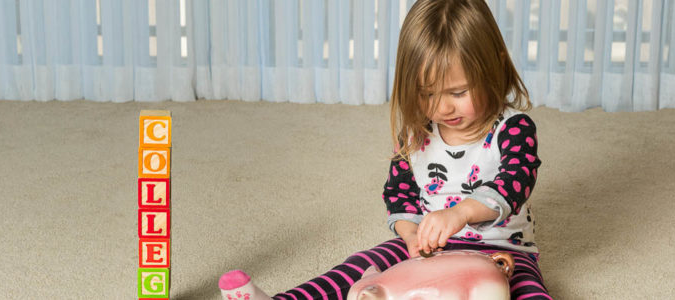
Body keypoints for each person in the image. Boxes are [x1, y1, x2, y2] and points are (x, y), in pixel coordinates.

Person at [218, 0, 551, 299]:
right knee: (359, 267)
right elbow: (399, 194)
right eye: (428, 94)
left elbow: (514, 183)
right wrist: (411, 235)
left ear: (493, 67)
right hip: (426, 248)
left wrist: (460, 213)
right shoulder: (416, 135)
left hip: (504, 249)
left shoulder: (514, 129)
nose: (443, 108)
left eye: (458, 92)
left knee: (525, 289)